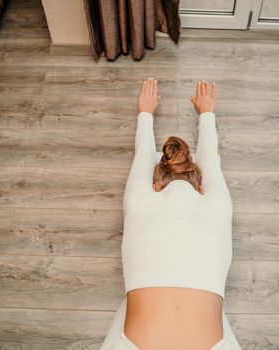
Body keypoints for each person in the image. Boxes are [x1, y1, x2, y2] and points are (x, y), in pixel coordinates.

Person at [100, 78, 242, 350]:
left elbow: (143, 154)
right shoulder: (218, 206)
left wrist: (145, 111)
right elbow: (211, 157)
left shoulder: (140, 202)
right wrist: (207, 112)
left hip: (141, 342)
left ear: (155, 186)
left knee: (127, 305)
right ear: (201, 187)